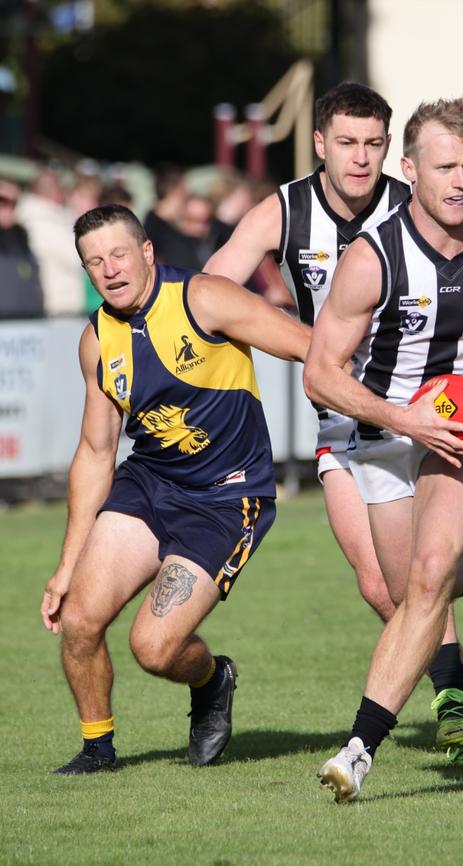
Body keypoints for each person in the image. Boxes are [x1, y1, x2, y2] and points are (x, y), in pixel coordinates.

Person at [204, 82, 463, 768]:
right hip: (343, 412)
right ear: (319, 144)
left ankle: (459, 705)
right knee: (385, 584)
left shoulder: (417, 202)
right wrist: (299, 341)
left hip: (426, 414)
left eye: (373, 145)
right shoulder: (285, 210)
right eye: (346, 144)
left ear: (394, 153)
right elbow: (213, 290)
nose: (360, 159)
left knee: (414, 578)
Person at [304, 96, 463, 802]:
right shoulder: (373, 258)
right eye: (444, 166)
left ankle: (360, 749)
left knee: (425, 577)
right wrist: (404, 418)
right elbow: (320, 373)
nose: (459, 181)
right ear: (409, 168)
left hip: (462, 440)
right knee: (404, 593)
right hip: (386, 432)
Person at [39, 204, 310, 775]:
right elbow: (94, 453)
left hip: (226, 498)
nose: (109, 270)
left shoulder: (203, 298)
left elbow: (304, 345)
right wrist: (66, 567)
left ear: (146, 252)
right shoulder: (96, 340)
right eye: (95, 262)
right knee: (81, 619)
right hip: (150, 484)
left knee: (154, 649)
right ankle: (98, 749)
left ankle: (213, 679)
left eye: (118, 254)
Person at [16, 165, 85, 316]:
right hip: (57, 307)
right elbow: (79, 256)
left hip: (63, 306)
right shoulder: (39, 222)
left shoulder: (52, 218)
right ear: (55, 192)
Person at [0, 177, 44, 318]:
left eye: (15, 203)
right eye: (3, 200)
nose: (9, 208)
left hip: (26, 328)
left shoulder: (23, 240)